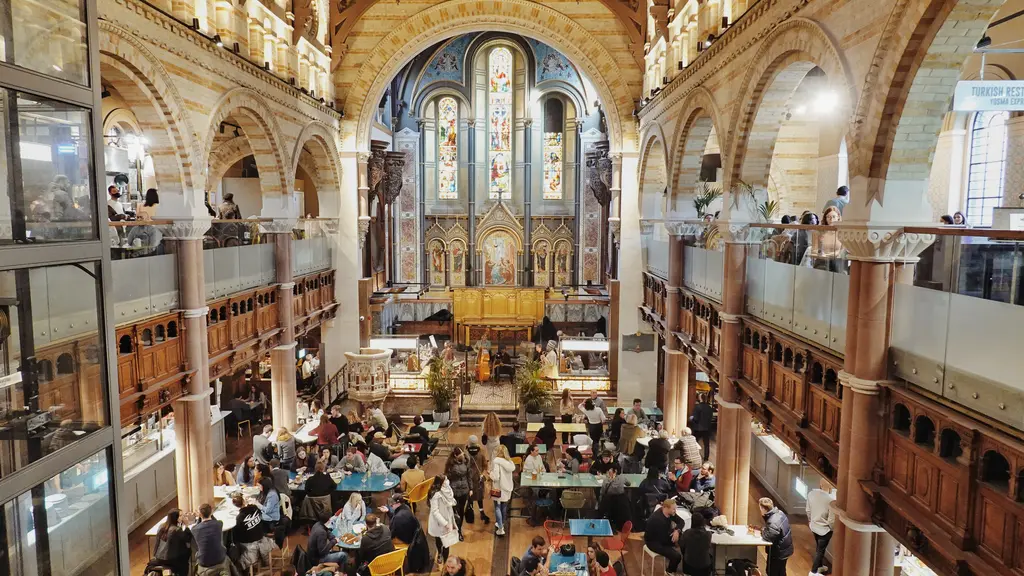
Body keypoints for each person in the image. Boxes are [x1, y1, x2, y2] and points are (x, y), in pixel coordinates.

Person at [231, 494, 273, 571]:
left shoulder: (239, 518)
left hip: (250, 543)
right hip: (261, 536)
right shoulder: (255, 508)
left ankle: (242, 569)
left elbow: (237, 535)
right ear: (244, 501)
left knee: (234, 543)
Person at [644, 499, 684, 575]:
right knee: (677, 556)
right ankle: (669, 571)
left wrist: (677, 531)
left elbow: (681, 521)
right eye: (673, 509)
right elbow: (663, 540)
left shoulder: (669, 513)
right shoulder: (658, 520)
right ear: (666, 508)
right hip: (654, 542)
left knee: (682, 537)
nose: (675, 511)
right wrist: (675, 542)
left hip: (664, 536)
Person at [807, 480, 836, 574]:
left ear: (820, 484)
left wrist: (810, 521)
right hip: (825, 530)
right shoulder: (831, 501)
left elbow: (808, 510)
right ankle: (813, 572)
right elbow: (831, 521)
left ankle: (819, 567)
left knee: (819, 549)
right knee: (820, 551)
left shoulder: (811, 494)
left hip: (813, 526)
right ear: (831, 487)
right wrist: (832, 529)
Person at [150, 509, 191, 576]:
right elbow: (187, 538)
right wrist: (186, 525)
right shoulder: (176, 530)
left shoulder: (161, 526)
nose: (182, 517)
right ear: (175, 517)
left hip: (158, 557)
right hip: (170, 560)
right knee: (186, 552)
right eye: (180, 516)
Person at [759, 497, 793, 576]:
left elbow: (768, 537)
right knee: (781, 571)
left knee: (772, 572)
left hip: (778, 552)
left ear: (763, 508)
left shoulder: (773, 521)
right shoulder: (779, 513)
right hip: (785, 549)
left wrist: (762, 531)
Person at [192, 503, 229, 576]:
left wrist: (199, 518)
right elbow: (215, 521)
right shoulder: (219, 524)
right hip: (219, 558)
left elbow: (197, 525)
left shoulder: (195, 529)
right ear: (211, 512)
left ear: (200, 515)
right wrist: (210, 514)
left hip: (204, 561)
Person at [428, 475, 458, 561]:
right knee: (439, 540)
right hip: (439, 522)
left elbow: (451, 501)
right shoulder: (435, 494)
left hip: (447, 518)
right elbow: (435, 512)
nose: (447, 481)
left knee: (447, 543)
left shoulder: (448, 490)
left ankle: (445, 561)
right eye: (445, 480)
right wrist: (445, 523)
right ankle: (440, 554)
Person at [445, 447, 473, 538]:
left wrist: (471, 488)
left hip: (463, 490)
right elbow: (447, 478)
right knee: (455, 511)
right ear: (455, 455)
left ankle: (459, 530)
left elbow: (469, 476)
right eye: (460, 454)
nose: (462, 455)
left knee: (460, 511)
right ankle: (455, 529)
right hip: (454, 491)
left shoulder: (465, 462)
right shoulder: (451, 465)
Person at [490, 445, 515, 535]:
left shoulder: (496, 462)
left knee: (497, 507)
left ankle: (500, 529)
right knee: (504, 506)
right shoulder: (510, 462)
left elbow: (496, 477)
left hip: (498, 488)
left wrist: (490, 474)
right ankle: (502, 523)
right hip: (507, 487)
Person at [466, 436, 491, 524]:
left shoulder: (465, 453)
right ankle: (482, 513)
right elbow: (485, 465)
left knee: (470, 498)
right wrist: (482, 473)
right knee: (479, 498)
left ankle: (470, 516)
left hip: (468, 479)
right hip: (478, 479)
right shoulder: (481, 452)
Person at [680, 511, 714, 576]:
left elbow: (682, 547)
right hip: (704, 566)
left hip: (690, 565)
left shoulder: (687, 533)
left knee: (685, 556)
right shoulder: (708, 534)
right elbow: (708, 547)